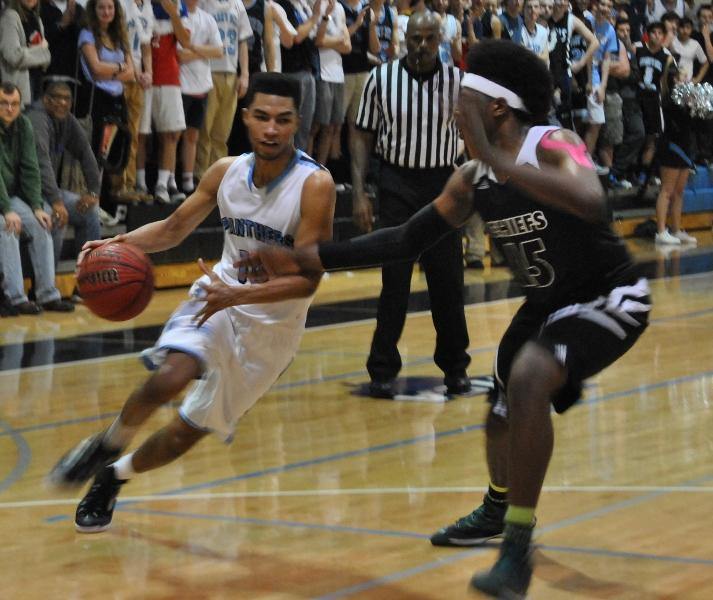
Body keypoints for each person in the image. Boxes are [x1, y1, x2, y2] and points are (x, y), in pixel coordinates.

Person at [238, 40, 652, 597]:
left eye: (461, 105)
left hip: (611, 294)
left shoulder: (553, 142)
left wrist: (498, 157)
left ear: (497, 109)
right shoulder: (470, 179)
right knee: (502, 400)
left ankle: (517, 546)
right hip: (546, 305)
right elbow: (406, 239)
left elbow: (592, 201)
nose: (452, 114)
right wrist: (299, 257)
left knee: (529, 376)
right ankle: (496, 508)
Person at [47, 72, 336, 534]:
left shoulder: (314, 185)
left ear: (296, 123)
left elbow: (307, 281)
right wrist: (116, 244)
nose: (271, 129)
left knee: (186, 431)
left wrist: (240, 294)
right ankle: (109, 441)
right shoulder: (225, 171)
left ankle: (113, 475)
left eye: (282, 120)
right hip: (216, 295)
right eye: (261, 117)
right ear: (246, 118)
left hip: (273, 328)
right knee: (170, 376)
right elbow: (173, 227)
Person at [351, 11, 472, 399]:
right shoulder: (381, 78)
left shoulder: (458, 82)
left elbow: (474, 136)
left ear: (440, 40)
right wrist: (359, 191)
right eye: (414, 39)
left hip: (443, 186)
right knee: (395, 282)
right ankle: (382, 368)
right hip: (397, 185)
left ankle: (455, 367)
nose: (421, 46)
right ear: (404, 38)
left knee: (448, 283)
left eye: (428, 39)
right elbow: (361, 136)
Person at [0, 82, 75, 314]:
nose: (10, 109)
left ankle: (47, 294)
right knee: (7, 226)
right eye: (4, 103)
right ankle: (15, 297)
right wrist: (6, 209)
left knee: (43, 222)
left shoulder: (23, 125)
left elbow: (31, 169)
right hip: (3, 199)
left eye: (14, 104)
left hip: (10, 197)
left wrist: (35, 206)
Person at [27, 78, 102, 265]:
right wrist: (56, 201)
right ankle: (45, 286)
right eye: (57, 98)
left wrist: (93, 191)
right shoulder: (37, 119)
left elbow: (85, 152)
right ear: (46, 100)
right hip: (29, 193)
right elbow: (41, 162)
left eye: (67, 99)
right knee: (57, 218)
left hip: (50, 193)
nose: (62, 103)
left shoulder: (67, 120)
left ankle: (86, 277)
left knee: (90, 212)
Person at [653, 65, 698, 245]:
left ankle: (676, 230)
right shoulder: (669, 98)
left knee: (679, 191)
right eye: (682, 78)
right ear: (673, 80)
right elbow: (676, 118)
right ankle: (661, 231)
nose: (686, 81)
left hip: (685, 147)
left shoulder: (686, 98)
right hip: (671, 147)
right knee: (667, 191)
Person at [0, 0, 52, 107]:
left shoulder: (37, 18)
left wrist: (41, 53)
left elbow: (46, 60)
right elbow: (13, 55)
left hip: (37, 84)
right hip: (18, 89)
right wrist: (41, 52)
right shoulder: (10, 17)